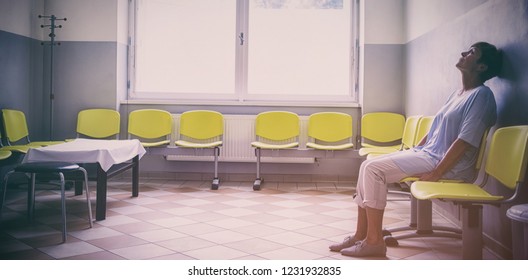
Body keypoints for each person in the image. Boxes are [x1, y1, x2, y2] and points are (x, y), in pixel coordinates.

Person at [330, 42, 502, 257]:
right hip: (429, 154)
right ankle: (361, 234)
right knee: (368, 165)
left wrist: (436, 174)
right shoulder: (457, 94)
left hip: (446, 163)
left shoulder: (482, 96)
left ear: (481, 67)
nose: (463, 53)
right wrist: (412, 151)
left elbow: (464, 141)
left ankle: (374, 241)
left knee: (374, 170)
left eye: (471, 53)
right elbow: (434, 130)